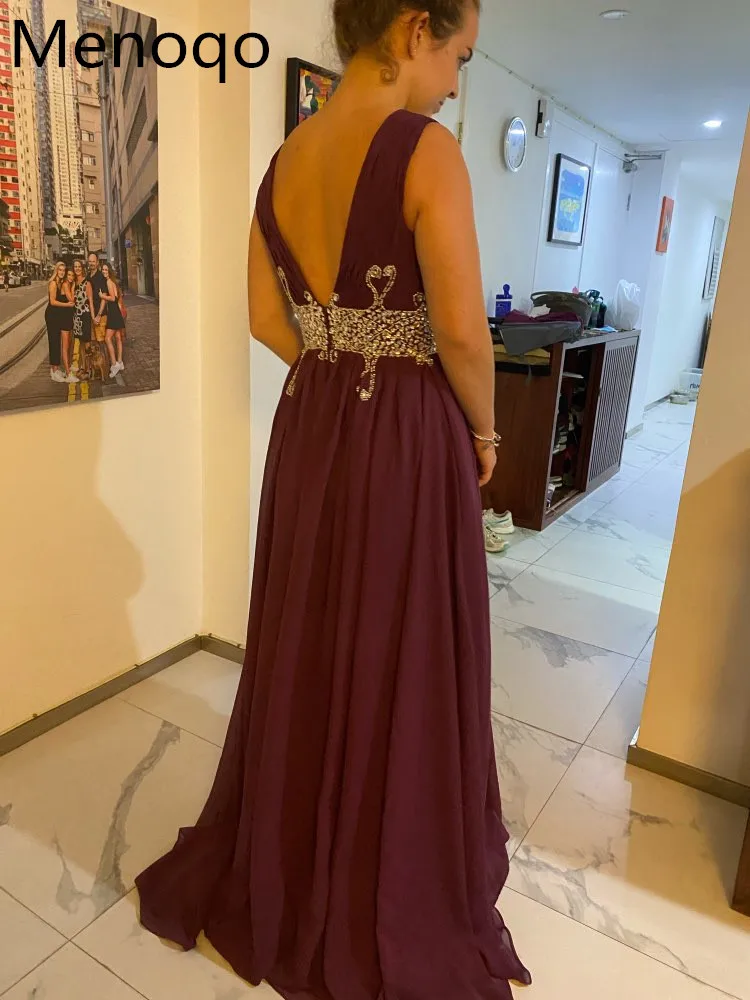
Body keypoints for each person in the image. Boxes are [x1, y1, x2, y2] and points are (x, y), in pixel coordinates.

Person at [137, 2, 531, 999]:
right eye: (458, 57)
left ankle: (297, 851)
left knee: (311, 634)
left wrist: (336, 360)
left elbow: (265, 317)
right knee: (398, 642)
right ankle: (379, 870)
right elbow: (463, 334)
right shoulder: (424, 151)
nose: (455, 85)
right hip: (406, 435)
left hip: (312, 423)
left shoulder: (285, 161)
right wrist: (485, 433)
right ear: (413, 30)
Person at [45, 261, 77, 384]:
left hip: (57, 315)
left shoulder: (60, 283)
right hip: (51, 315)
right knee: (53, 342)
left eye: (63, 270)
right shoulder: (53, 283)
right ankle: (54, 371)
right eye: (60, 270)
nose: (62, 272)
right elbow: (52, 302)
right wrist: (67, 305)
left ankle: (56, 369)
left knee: (57, 342)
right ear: (56, 271)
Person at [100, 263, 126, 377]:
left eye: (106, 270)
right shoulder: (112, 282)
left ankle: (114, 364)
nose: (104, 271)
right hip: (115, 312)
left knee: (107, 338)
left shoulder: (109, 282)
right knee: (118, 337)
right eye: (103, 270)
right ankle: (120, 362)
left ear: (109, 271)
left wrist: (102, 296)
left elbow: (113, 298)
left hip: (113, 313)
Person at [71, 259, 95, 379]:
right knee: (80, 343)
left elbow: (90, 301)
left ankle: (89, 369)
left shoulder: (87, 282)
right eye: (75, 267)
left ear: (82, 268)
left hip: (85, 315)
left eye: (79, 266)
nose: (77, 268)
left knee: (87, 344)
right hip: (76, 316)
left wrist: (93, 317)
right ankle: (83, 367)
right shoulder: (73, 282)